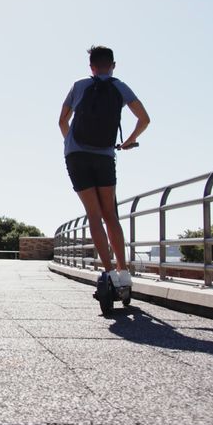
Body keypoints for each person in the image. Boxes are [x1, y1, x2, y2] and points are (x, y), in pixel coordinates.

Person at [58, 45, 150, 290]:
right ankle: (124, 272)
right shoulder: (120, 87)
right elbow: (144, 119)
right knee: (110, 215)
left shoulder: (79, 86)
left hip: (76, 156)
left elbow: (62, 120)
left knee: (94, 216)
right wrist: (127, 142)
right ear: (113, 65)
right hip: (104, 156)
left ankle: (108, 273)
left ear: (91, 67)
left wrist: (71, 142)